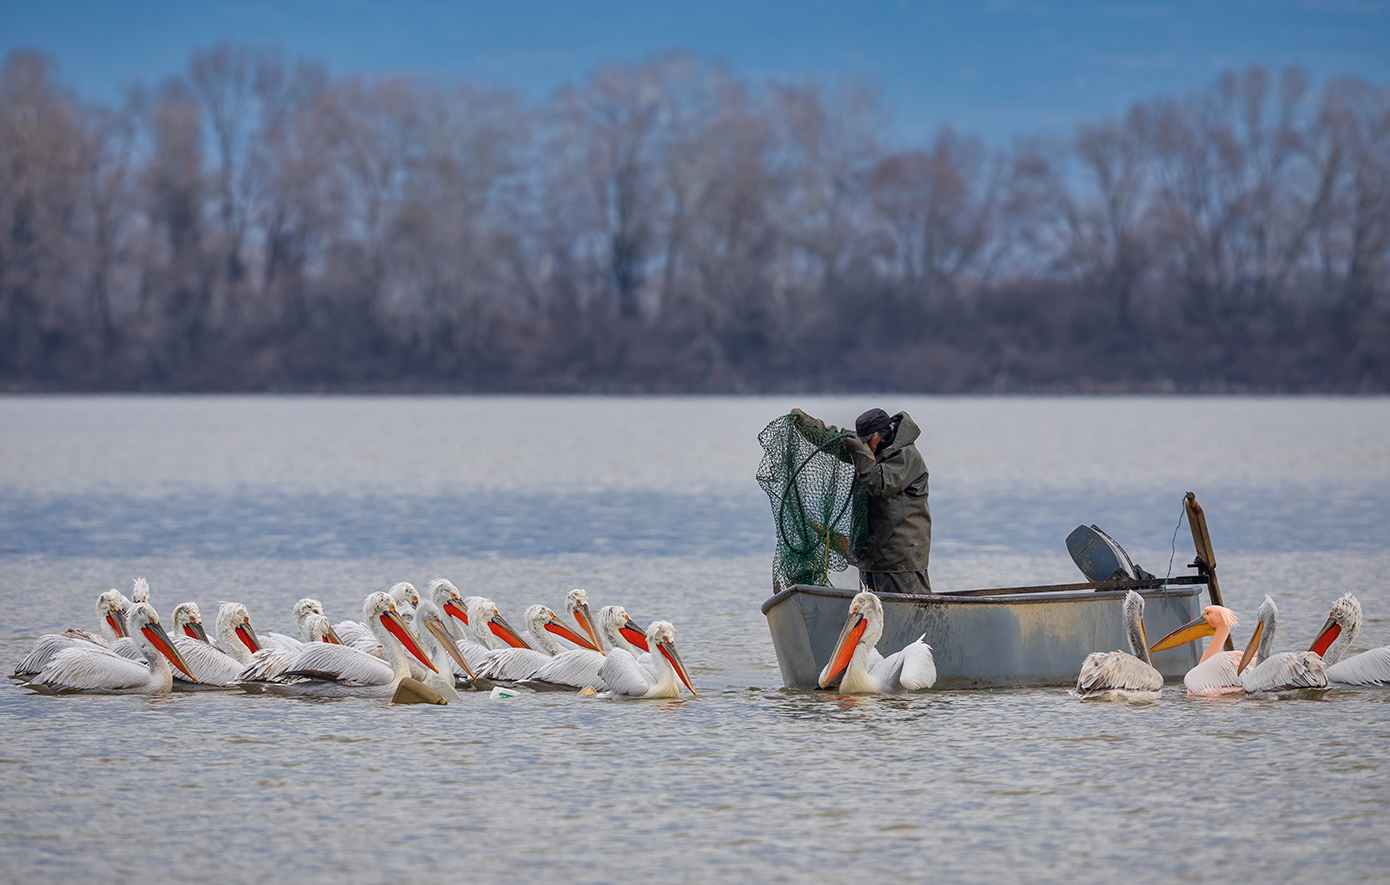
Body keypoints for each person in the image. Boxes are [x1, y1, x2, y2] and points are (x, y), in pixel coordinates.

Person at [791, 407, 932, 594]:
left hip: (901, 560)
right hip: (871, 558)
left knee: (910, 614)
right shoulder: (868, 451)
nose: (864, 446)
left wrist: (859, 451)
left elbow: (879, 484)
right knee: (871, 614)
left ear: (878, 435)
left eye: (867, 442)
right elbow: (835, 439)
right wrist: (807, 425)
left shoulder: (906, 457)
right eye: (862, 442)